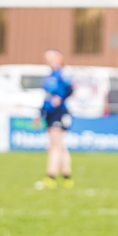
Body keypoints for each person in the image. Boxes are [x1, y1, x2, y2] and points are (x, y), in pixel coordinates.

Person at [39, 49, 74, 189]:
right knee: (59, 147)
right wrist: (41, 112)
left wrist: (61, 98)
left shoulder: (62, 74)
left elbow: (70, 89)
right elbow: (47, 96)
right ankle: (66, 177)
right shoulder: (50, 75)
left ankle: (51, 177)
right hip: (50, 113)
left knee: (55, 146)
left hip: (59, 113)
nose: (49, 61)